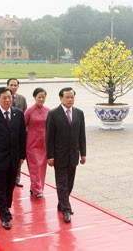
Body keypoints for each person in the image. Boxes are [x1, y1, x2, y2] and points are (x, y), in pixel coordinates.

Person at [0, 87, 26, 230]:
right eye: (4, 98)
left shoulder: (18, 114)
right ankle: (4, 215)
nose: (8, 100)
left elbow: (22, 136)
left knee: (9, 186)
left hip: (14, 158)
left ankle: (6, 207)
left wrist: (22, 156)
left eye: (9, 97)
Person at [46, 87, 86, 224]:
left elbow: (82, 135)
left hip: (73, 155)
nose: (70, 100)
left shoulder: (79, 113)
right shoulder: (53, 114)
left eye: (72, 97)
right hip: (59, 155)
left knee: (69, 183)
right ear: (60, 98)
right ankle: (66, 210)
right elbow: (49, 137)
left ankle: (62, 203)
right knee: (62, 183)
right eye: (67, 97)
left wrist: (83, 154)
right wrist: (50, 156)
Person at [24, 87, 49, 198]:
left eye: (43, 97)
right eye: (39, 97)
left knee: (42, 167)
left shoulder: (48, 111)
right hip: (32, 144)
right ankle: (37, 189)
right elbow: (22, 126)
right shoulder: (29, 111)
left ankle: (37, 187)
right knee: (35, 167)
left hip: (44, 144)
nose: (41, 99)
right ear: (35, 97)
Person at [7, 78, 27, 187]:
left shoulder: (22, 99)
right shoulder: (3, 97)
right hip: (6, 129)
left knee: (18, 157)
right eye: (11, 85)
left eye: (15, 85)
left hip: (18, 130)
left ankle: (16, 179)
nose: (13, 87)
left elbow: (25, 113)